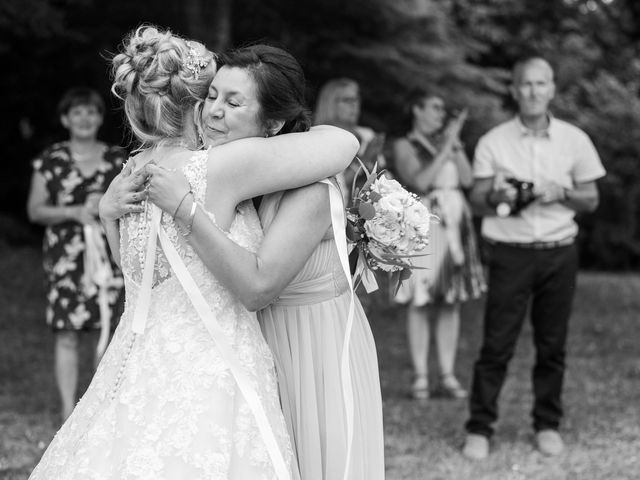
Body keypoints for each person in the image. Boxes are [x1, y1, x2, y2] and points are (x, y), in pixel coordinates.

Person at [29, 26, 358, 480]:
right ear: (196, 102)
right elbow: (344, 144)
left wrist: (107, 215)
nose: (218, 111)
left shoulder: (133, 170)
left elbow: (137, 278)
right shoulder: (219, 167)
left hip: (142, 357)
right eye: (212, 97)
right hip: (213, 355)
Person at [140, 45, 384, 480]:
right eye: (211, 95)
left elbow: (257, 287)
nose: (213, 112)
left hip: (311, 347)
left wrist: (184, 210)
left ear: (272, 123)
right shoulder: (228, 172)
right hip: (250, 343)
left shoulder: (308, 189)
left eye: (233, 103)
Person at [462, 57, 605, 460]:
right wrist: (501, 197)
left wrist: (562, 193)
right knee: (496, 344)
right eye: (525, 84)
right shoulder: (494, 141)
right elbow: (477, 200)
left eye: (541, 83)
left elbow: (591, 199)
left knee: (552, 344)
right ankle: (480, 427)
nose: (533, 91)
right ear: (514, 89)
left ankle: (547, 424)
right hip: (510, 253)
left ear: (552, 88)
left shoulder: (575, 140)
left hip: (560, 252)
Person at [26, 87, 125, 423]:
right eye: (77, 112)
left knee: (107, 330)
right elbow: (35, 210)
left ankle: (100, 409)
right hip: (65, 259)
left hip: (109, 256)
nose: (84, 118)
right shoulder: (51, 160)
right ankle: (69, 410)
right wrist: (73, 212)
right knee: (66, 333)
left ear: (100, 118)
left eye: (91, 112)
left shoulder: (117, 160)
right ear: (66, 119)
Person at [391, 89, 486, 401]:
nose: (440, 115)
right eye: (433, 107)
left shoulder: (449, 143)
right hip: (424, 222)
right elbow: (420, 181)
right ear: (416, 110)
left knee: (450, 300)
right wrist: (446, 147)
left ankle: (446, 373)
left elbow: (469, 179)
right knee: (421, 299)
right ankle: (420, 375)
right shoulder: (406, 144)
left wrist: (454, 146)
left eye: (442, 110)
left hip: (455, 222)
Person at [313, 78, 386, 204]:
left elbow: (382, 178)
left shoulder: (367, 134)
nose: (354, 105)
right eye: (347, 100)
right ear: (330, 103)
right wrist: (364, 159)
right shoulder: (322, 136)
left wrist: (375, 160)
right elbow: (335, 185)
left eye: (356, 99)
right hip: (337, 210)